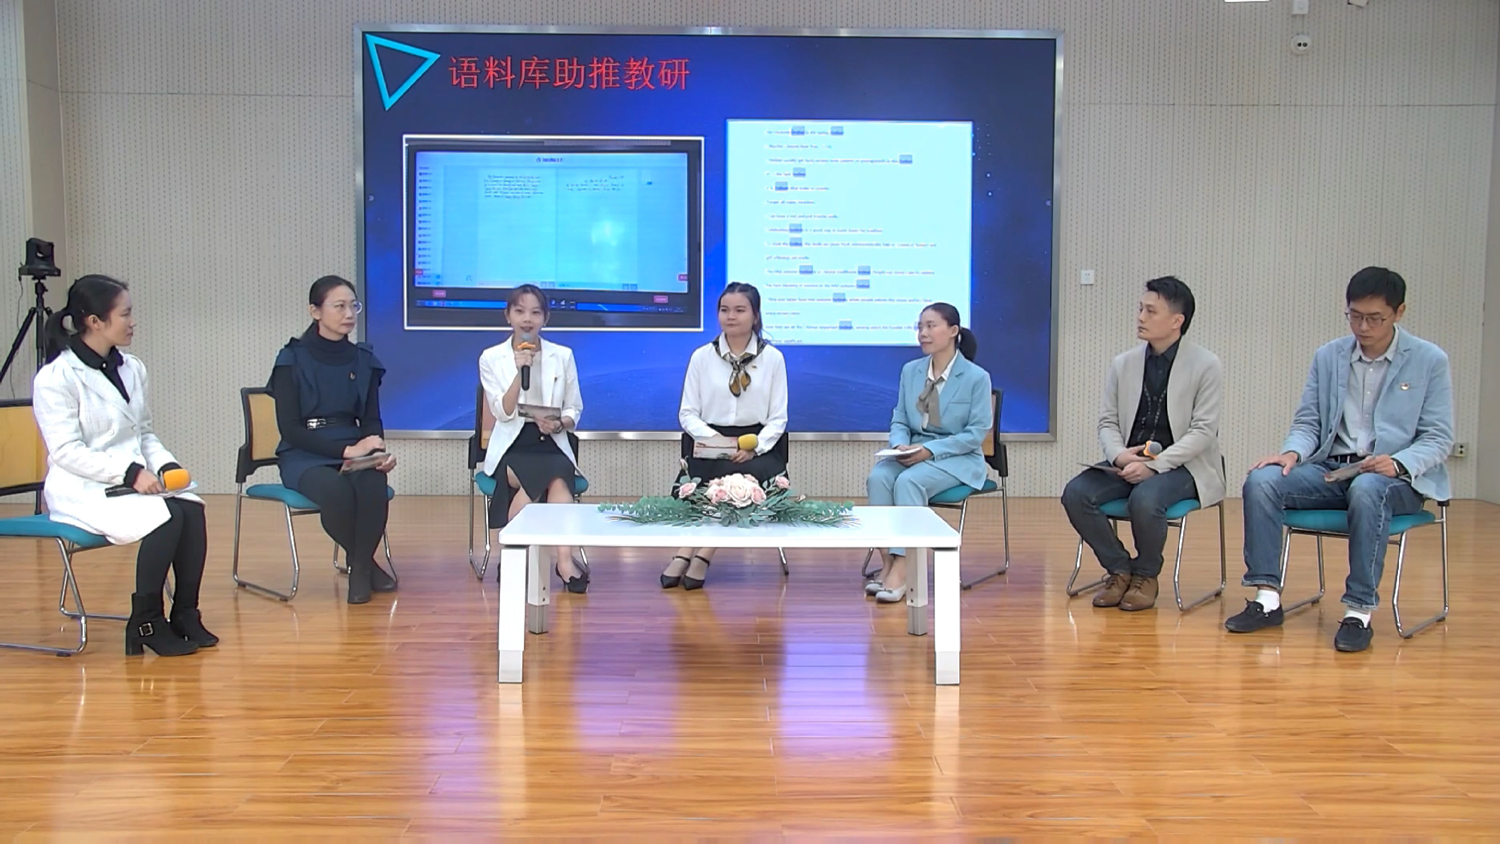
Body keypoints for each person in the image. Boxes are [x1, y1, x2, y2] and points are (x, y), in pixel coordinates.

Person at [1228, 267, 1453, 652]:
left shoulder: (1429, 360)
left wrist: (1399, 463)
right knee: (1262, 481)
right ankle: (1266, 599)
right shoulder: (1329, 356)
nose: (1363, 327)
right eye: (1354, 316)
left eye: (1374, 318)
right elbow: (1309, 422)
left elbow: (1438, 437)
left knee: (1368, 488)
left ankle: (1358, 612)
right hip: (1332, 470)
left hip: (1396, 478)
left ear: (1399, 312)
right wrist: (1292, 452)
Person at [32, 274, 215, 657]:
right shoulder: (56, 377)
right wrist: (130, 474)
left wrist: (165, 466)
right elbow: (65, 451)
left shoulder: (132, 368)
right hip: (81, 488)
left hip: (129, 482)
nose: (133, 322)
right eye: (125, 314)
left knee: (190, 508)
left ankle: (185, 614)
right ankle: (146, 622)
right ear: (95, 321)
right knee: (166, 517)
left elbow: (143, 433)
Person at [1061, 277, 1225, 611]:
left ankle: (1147, 575)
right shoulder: (1124, 364)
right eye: (1140, 309)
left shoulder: (1206, 365)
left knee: (1145, 499)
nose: (1140, 317)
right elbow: (1108, 422)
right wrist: (1120, 456)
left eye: (1151, 311)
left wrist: (1155, 466)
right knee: (1076, 494)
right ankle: (1120, 569)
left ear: (1177, 321)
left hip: (1185, 465)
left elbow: (1203, 432)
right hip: (1131, 460)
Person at [270, 275, 397, 605]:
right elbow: (290, 429)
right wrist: (346, 450)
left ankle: (359, 567)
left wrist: (377, 451)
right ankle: (363, 566)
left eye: (354, 306)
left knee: (372, 484)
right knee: (337, 491)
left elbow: (370, 420)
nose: (349, 314)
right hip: (304, 453)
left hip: (353, 447)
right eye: (339, 306)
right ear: (315, 311)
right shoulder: (290, 359)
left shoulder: (364, 360)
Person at [663, 282, 788, 590]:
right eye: (724, 310)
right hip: (710, 441)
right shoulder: (701, 357)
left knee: (737, 481)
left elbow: (778, 419)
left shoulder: (773, 358)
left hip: (756, 448)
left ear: (755, 315)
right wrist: (715, 442)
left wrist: (756, 447)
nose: (730, 317)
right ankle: (686, 551)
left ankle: (701, 554)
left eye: (739, 310)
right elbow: (687, 413)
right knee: (711, 473)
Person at [865, 303, 993, 603]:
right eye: (920, 327)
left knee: (909, 482)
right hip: (913, 451)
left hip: (958, 458)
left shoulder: (976, 377)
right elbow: (899, 418)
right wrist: (899, 445)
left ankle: (906, 568)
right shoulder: (911, 371)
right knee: (879, 478)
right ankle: (889, 562)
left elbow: (975, 435)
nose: (923, 333)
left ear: (953, 331)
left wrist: (930, 450)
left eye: (931, 326)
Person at [479, 284, 588, 593]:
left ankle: (519, 556)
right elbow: (502, 412)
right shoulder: (491, 358)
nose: (527, 319)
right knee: (556, 475)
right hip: (512, 446)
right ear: (508, 316)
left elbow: (574, 408)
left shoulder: (562, 356)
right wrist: (519, 372)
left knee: (555, 473)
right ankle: (564, 564)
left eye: (535, 312)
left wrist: (559, 422)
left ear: (545, 318)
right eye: (520, 311)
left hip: (551, 440)